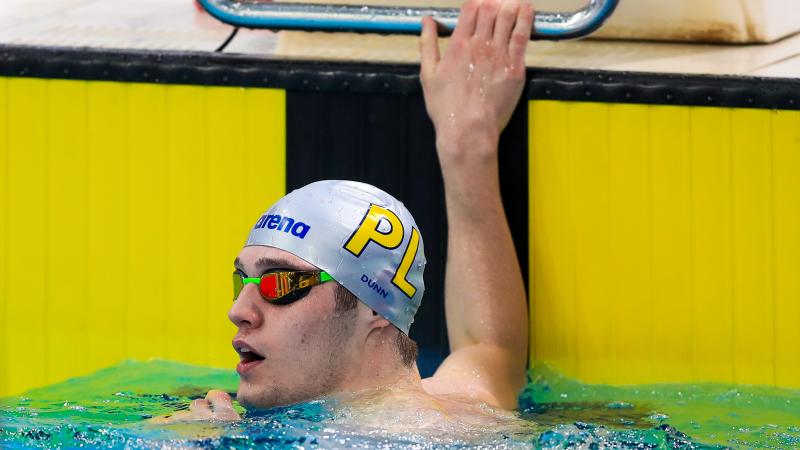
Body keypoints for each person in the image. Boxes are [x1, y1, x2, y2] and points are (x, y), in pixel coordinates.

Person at [153, 0, 533, 427]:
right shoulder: (468, 405)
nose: (239, 310)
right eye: (242, 279)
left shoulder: (437, 436)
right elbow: (490, 346)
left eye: (280, 283)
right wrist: (467, 143)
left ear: (373, 309)